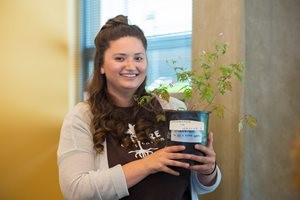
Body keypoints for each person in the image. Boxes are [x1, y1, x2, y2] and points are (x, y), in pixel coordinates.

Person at [57, 15, 221, 200]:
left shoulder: (172, 107)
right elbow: (77, 191)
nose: (131, 66)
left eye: (138, 58)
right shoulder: (81, 118)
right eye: (120, 58)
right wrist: (147, 164)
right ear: (101, 65)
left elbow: (198, 186)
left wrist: (208, 170)